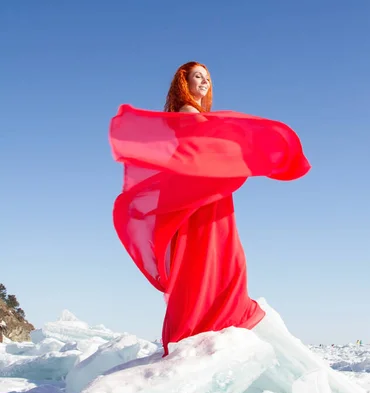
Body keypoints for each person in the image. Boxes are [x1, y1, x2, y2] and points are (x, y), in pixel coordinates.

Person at [110, 61, 310, 355]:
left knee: (210, 256)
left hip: (205, 192)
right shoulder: (188, 112)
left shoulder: (196, 114)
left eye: (206, 78)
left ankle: (206, 321)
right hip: (199, 195)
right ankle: (209, 322)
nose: (204, 82)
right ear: (184, 83)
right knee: (212, 256)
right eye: (197, 77)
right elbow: (198, 151)